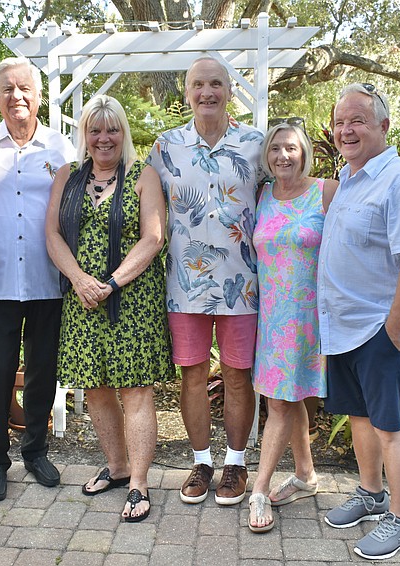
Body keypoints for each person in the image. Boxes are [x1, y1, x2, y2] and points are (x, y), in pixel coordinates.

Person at [317, 83, 400, 559]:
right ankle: (371, 495)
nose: (346, 130)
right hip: (345, 327)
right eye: (340, 122)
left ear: (384, 126)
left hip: (379, 329)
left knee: (390, 426)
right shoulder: (349, 180)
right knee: (360, 418)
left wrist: (393, 330)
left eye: (358, 121)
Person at [45, 95, 174, 522]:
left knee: (135, 389)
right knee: (96, 387)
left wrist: (112, 282)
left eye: (112, 129)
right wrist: (80, 280)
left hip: (133, 299)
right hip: (82, 298)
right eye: (95, 129)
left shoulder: (143, 174)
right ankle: (117, 467)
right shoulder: (67, 176)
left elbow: (153, 237)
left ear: (124, 133)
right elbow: (52, 235)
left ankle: (139, 483)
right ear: (85, 134)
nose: (104, 138)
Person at [147, 56, 264, 506]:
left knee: (237, 375)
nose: (207, 92)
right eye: (198, 84)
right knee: (192, 375)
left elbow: (287, 192)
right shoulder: (166, 147)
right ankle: (201, 461)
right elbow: (142, 203)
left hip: (242, 282)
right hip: (185, 285)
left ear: (230, 92)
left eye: (216, 83)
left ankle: (236, 462)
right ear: (187, 92)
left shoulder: (256, 144)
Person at [0, 57, 76, 500]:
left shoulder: (61, 147)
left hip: (48, 280)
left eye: (24, 88)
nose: (17, 96)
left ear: (38, 95)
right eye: (8, 89)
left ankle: (35, 450)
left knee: (43, 371)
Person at [247, 121, 338, 533]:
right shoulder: (263, 195)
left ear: (305, 154)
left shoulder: (327, 191)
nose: (283, 155)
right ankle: (305, 475)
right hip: (270, 317)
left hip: (308, 318)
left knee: (281, 402)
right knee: (290, 394)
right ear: (267, 156)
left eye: (291, 148)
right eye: (275, 148)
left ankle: (259, 489)